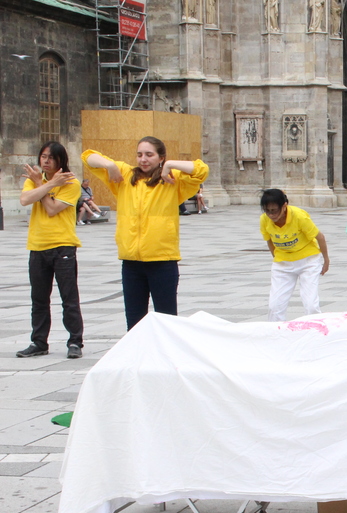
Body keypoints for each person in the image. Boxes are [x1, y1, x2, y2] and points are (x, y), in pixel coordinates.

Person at [83, 136, 209, 330]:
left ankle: (166, 359)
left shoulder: (172, 179)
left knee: (166, 320)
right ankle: (139, 359)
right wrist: (109, 165)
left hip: (162, 260)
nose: (143, 159)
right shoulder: (124, 176)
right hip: (132, 262)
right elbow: (88, 157)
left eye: (150, 155)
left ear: (161, 157)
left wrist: (170, 165)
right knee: (134, 322)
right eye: (140, 154)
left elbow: (202, 170)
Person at [17, 142, 84, 359]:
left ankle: (75, 341)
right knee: (39, 298)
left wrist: (42, 185)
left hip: (62, 245)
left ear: (60, 160)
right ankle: (39, 342)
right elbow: (25, 199)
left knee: (69, 297)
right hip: (37, 245)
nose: (45, 161)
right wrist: (42, 183)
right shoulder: (33, 180)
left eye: (51, 158)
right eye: (43, 156)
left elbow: (53, 209)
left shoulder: (71, 182)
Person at [259, 189, 330, 321]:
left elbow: (320, 237)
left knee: (310, 305)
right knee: (275, 306)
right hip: (283, 263)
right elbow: (269, 240)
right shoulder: (264, 219)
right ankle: (276, 335)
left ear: (284, 206)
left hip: (308, 260)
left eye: (274, 210)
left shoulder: (299, 216)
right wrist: (277, 258)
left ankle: (315, 332)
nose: (271, 215)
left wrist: (326, 260)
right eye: (267, 211)